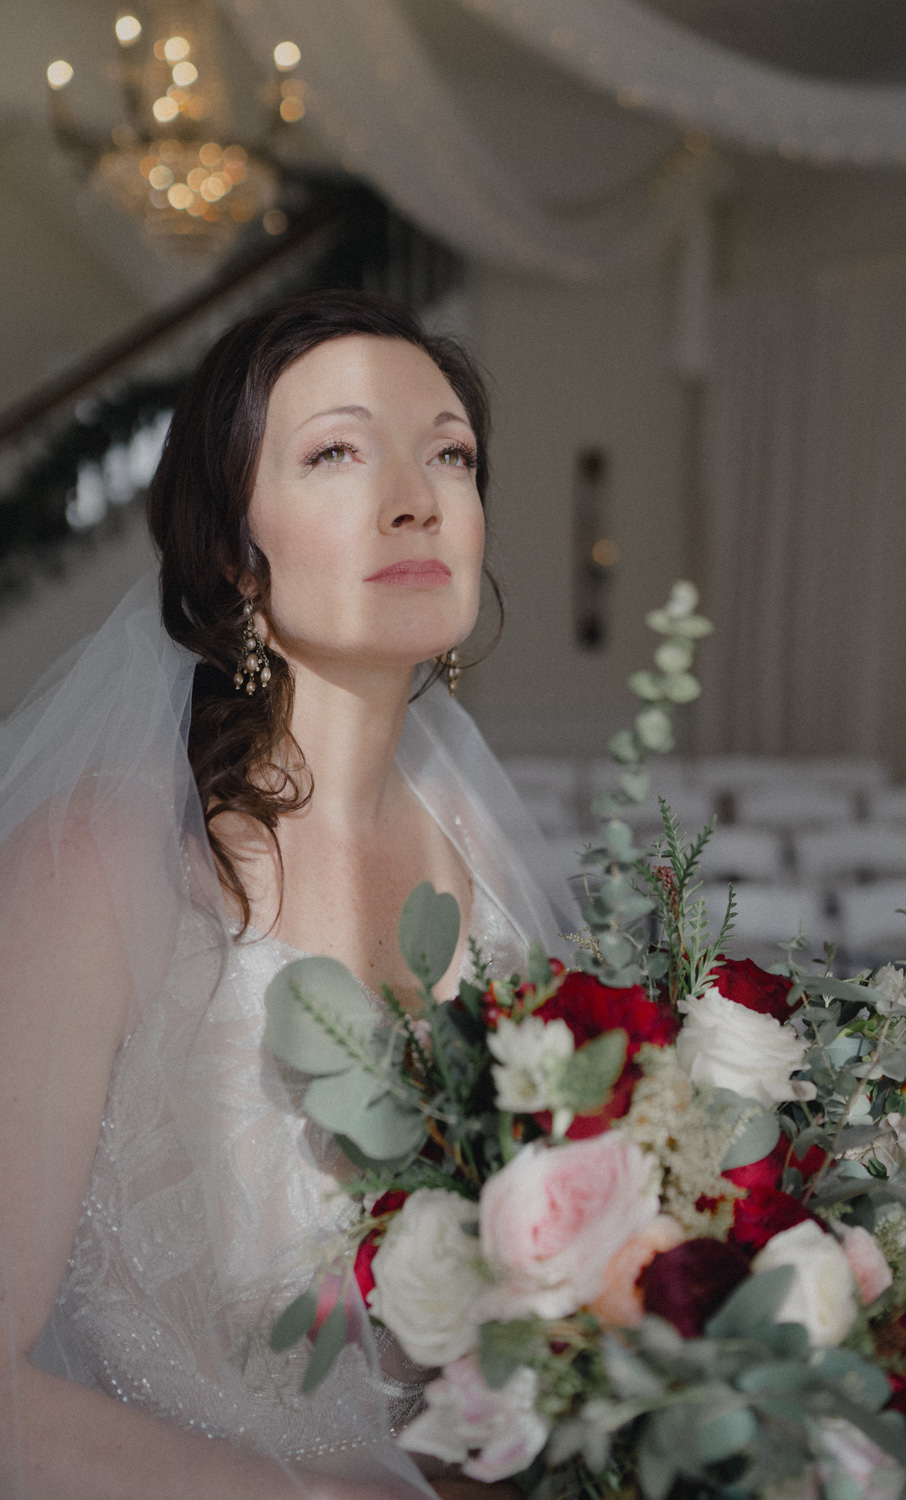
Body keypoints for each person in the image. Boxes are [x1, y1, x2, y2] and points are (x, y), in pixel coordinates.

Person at [0, 291, 566, 1499]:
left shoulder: (483, 850)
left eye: (450, 453)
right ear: (229, 550)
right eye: (336, 452)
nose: (415, 495)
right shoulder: (107, 860)